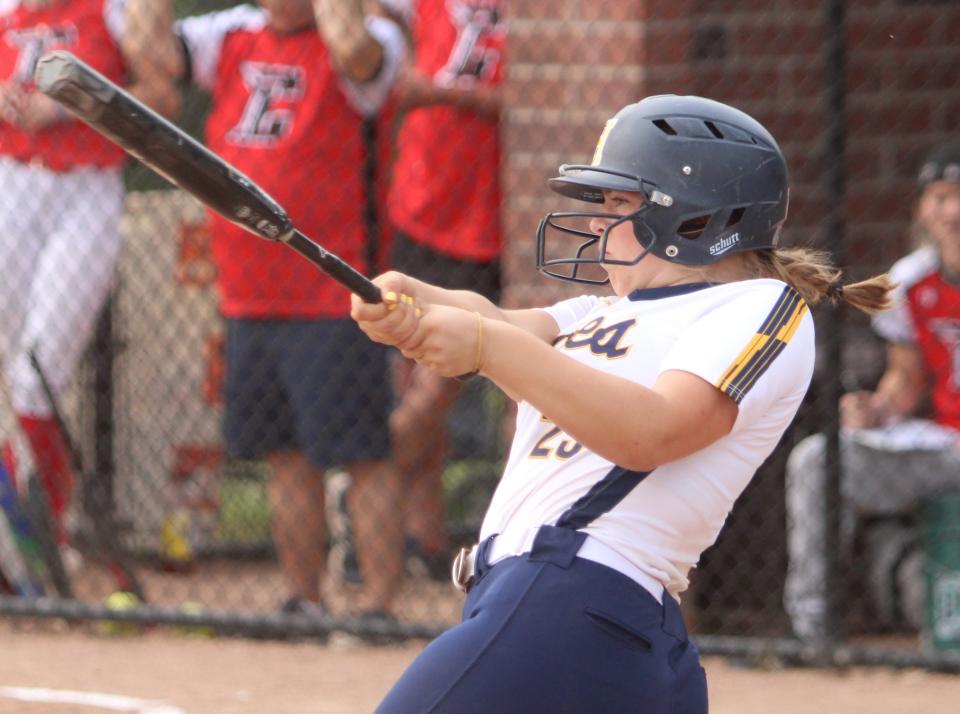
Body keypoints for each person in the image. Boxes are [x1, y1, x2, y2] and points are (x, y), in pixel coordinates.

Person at [351, 94, 895, 713]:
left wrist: (486, 346)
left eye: (618, 203)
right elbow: (499, 323)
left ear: (693, 218)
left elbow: (654, 432)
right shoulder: (605, 312)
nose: (594, 224)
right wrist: (407, 297)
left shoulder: (757, 307)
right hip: (568, 615)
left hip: (574, 599)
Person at [126, 0, 407, 619]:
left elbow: (356, 56)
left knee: (361, 452)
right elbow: (150, 57)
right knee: (285, 453)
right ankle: (302, 599)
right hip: (250, 289)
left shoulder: (370, 37)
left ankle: (380, 605)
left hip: (336, 290)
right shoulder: (230, 33)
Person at [0, 0, 178, 555]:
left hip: (86, 188)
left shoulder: (115, 8)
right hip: (11, 184)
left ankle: (39, 538)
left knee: (41, 370)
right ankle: (11, 543)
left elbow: (161, 97)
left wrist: (69, 107)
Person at [784, 141, 960, 642]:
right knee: (817, 461)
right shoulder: (911, 280)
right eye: (940, 198)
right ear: (923, 208)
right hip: (943, 453)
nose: (951, 212)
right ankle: (813, 631)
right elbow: (907, 378)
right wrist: (877, 409)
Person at [385, 0, 505, 576]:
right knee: (412, 382)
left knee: (434, 393)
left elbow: (525, 104)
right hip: (417, 203)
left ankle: (365, 495)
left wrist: (440, 92)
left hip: (483, 222)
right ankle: (422, 539)